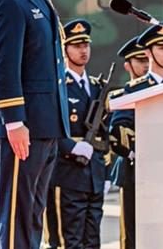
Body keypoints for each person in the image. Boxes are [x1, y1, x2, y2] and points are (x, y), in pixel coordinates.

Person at [0, 0, 70, 249]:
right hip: (26, 125)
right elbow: (4, 67)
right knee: (18, 213)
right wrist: (14, 121)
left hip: (45, 122)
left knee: (34, 211)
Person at [110, 22, 163, 249]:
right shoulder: (134, 89)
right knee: (135, 239)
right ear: (148, 53)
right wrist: (147, 148)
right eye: (160, 47)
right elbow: (117, 131)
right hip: (139, 174)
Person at [45, 19, 109, 248]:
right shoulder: (56, 86)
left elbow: (106, 133)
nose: (83, 51)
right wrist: (71, 147)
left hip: (94, 175)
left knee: (92, 241)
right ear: (65, 49)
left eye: (86, 45)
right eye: (76, 45)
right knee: (67, 241)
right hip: (66, 174)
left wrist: (106, 172)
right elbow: (47, 129)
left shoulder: (97, 87)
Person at [108, 35, 149, 249]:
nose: (145, 65)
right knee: (131, 235)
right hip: (132, 168)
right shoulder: (124, 94)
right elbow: (117, 133)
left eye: (146, 60)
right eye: (140, 60)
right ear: (128, 65)